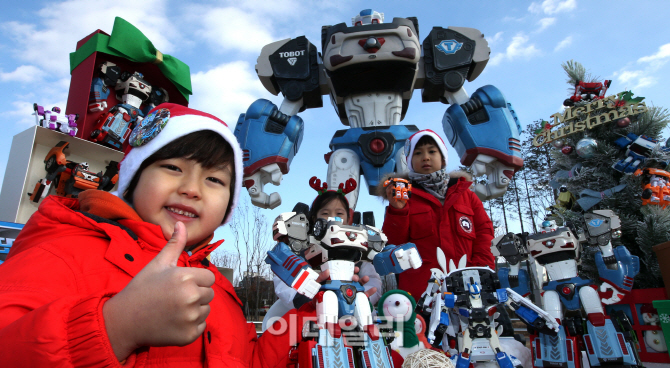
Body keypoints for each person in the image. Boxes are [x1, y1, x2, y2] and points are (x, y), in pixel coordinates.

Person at [0, 103, 314, 367]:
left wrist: (315, 310)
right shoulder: (64, 250)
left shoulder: (216, 284)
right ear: (134, 177)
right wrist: (117, 327)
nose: (191, 189)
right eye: (173, 168)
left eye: (215, 180)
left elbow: (249, 360)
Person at [379, 129, 495, 299]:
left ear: (443, 159)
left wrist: (480, 269)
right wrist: (398, 210)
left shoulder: (467, 195)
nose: (425, 157)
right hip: (421, 294)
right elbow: (394, 246)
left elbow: (485, 233)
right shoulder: (404, 199)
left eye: (432, 151)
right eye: (417, 153)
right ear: (410, 161)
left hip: (470, 288)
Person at [263, 178, 383, 331]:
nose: (332, 218)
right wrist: (309, 293)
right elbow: (283, 281)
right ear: (314, 218)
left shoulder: (357, 248)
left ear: (349, 218)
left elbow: (373, 280)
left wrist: (359, 293)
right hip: (308, 308)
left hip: (352, 305)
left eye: (339, 213)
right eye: (325, 213)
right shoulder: (302, 248)